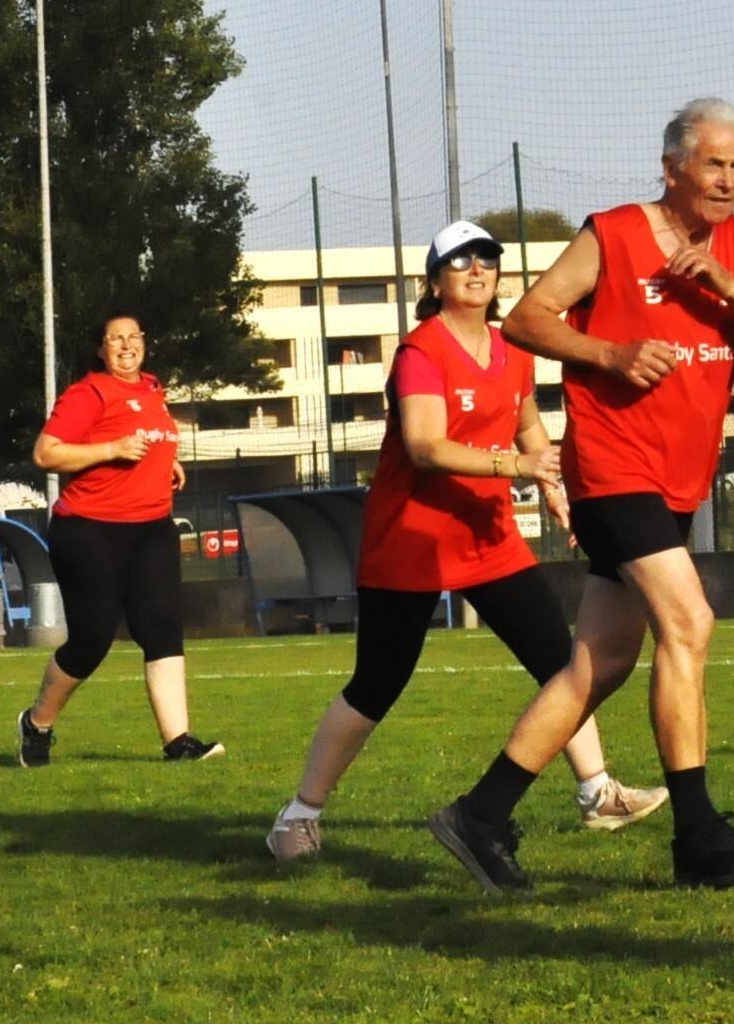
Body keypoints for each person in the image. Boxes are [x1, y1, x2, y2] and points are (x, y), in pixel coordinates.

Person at [428, 99, 734, 892]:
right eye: (713, 165)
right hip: (611, 469)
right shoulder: (615, 233)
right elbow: (527, 320)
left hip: (677, 479)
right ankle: (698, 836)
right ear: (672, 168)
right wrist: (610, 352)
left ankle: (481, 815)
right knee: (690, 622)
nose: (728, 181)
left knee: (597, 664)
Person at [267, 222, 668, 864]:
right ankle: (300, 815)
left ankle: (598, 793)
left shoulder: (514, 349)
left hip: (488, 538)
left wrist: (558, 491)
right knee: (377, 684)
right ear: (436, 282)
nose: (477, 268)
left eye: (486, 258)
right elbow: (426, 447)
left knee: (561, 662)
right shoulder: (420, 352)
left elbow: (530, 427)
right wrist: (516, 469)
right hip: (412, 540)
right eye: (459, 261)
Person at [16, 310, 222, 766]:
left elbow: (149, 435)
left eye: (133, 336)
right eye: (115, 339)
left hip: (151, 528)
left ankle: (179, 742)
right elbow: (46, 453)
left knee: (163, 629)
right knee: (91, 641)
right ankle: (37, 723)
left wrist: (165, 463)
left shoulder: (151, 388)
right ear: (100, 348)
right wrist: (111, 450)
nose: (126, 345)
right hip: (90, 530)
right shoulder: (88, 392)